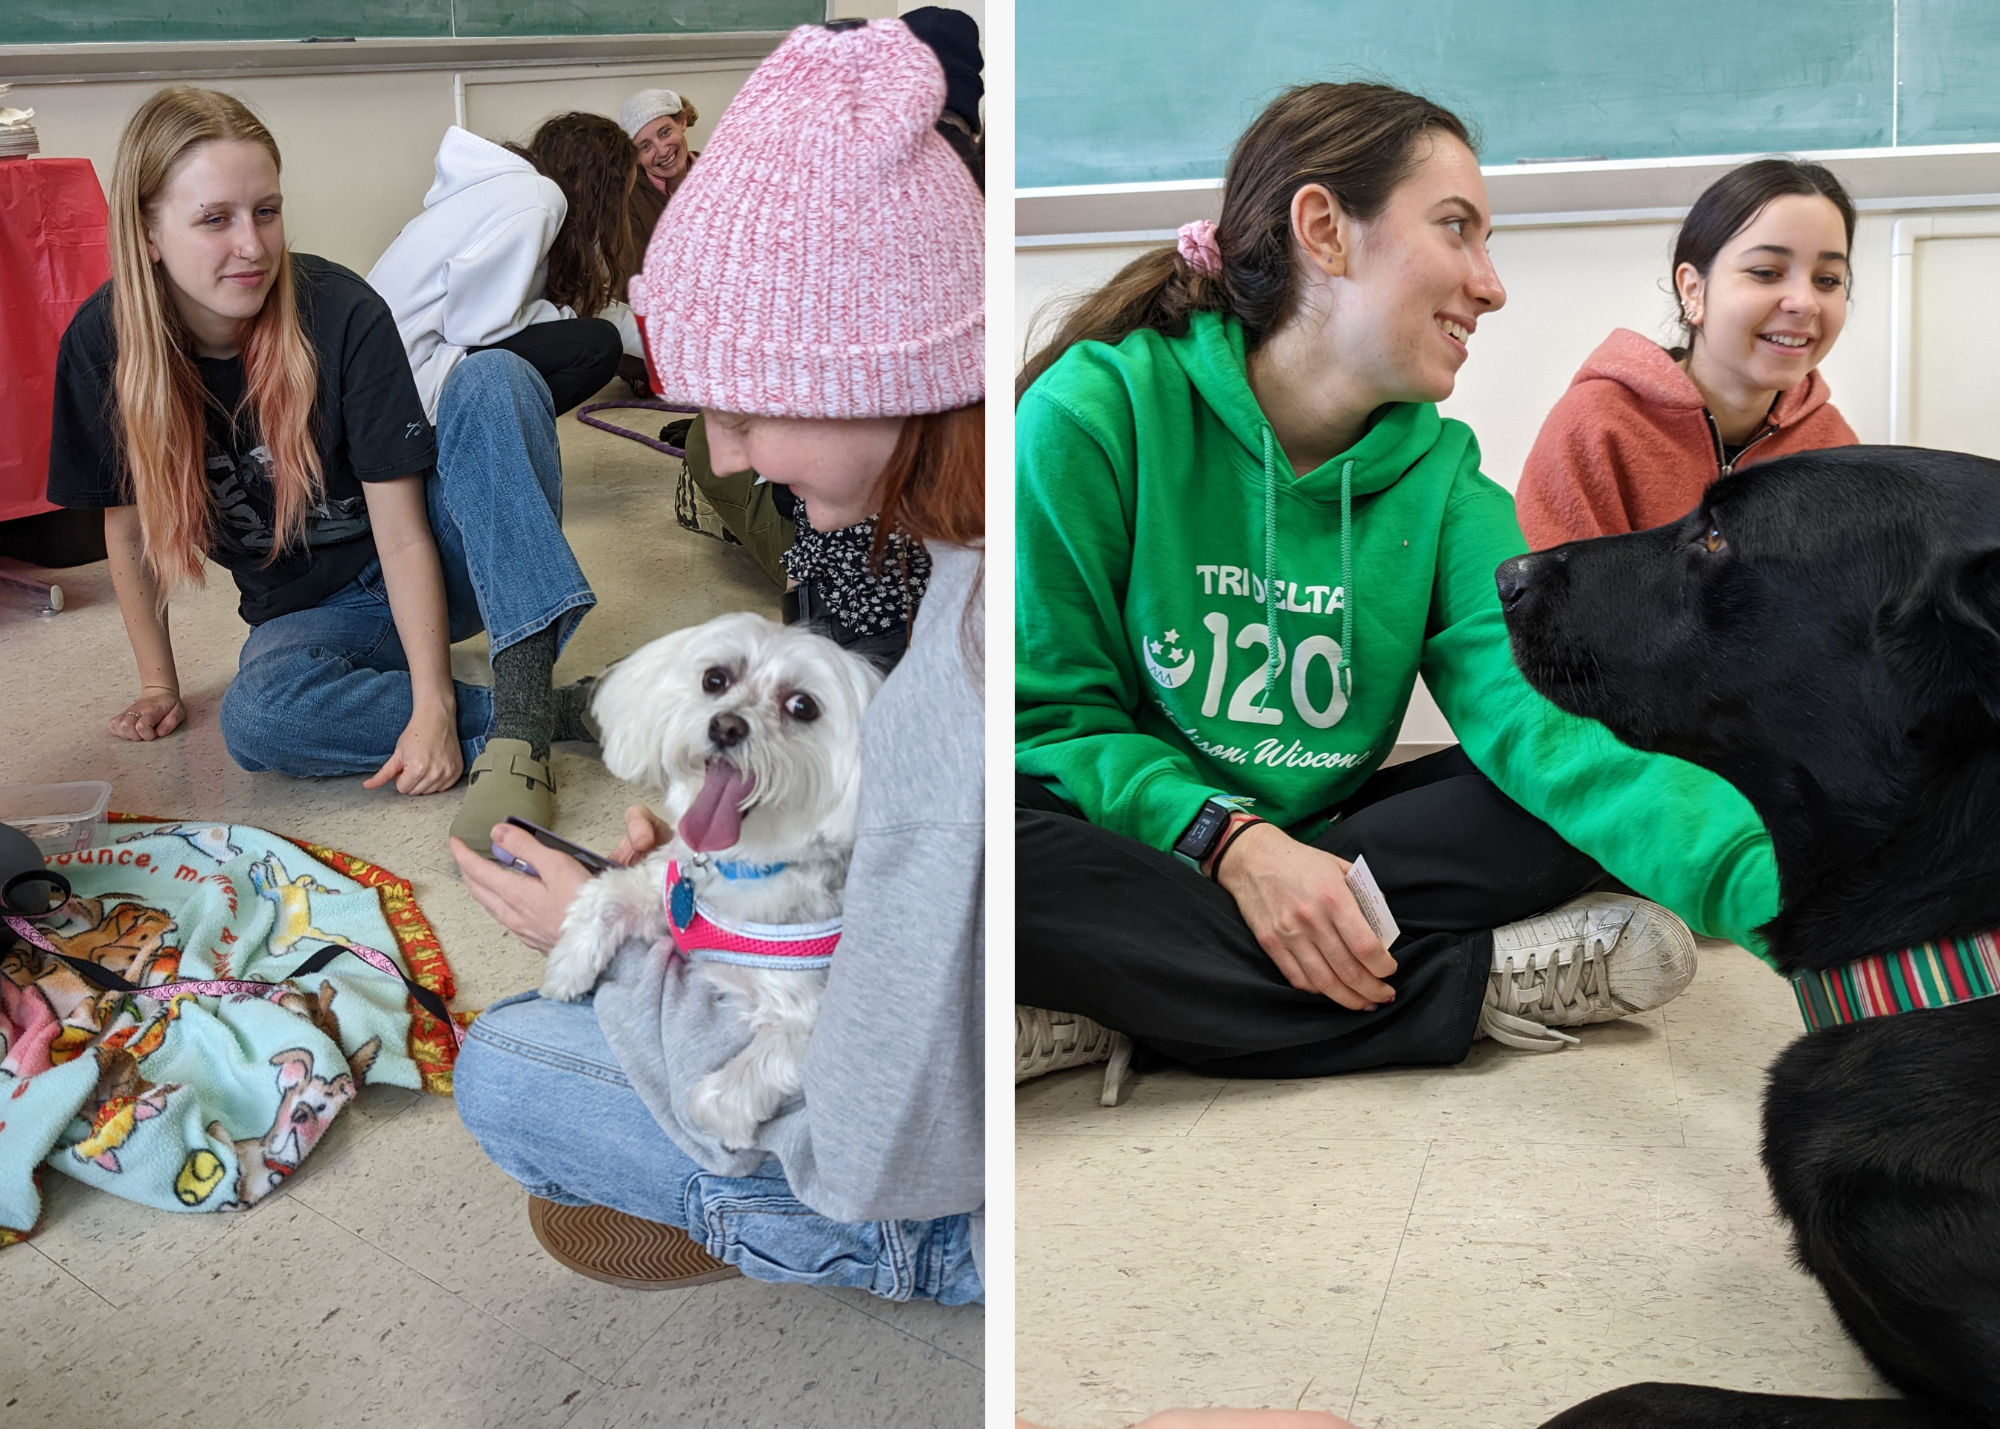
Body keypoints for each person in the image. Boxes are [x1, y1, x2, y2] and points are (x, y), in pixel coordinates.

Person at [1015, 81, 1782, 1089]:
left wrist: (1807, 910)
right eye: (1456, 229)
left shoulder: (1445, 481)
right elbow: (1050, 726)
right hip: (1138, 835)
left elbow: (1543, 721)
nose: (1490, 284)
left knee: (1569, 794)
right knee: (987, 850)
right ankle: (1471, 984)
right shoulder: (1095, 412)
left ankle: (1117, 998)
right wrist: (1229, 843)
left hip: (1331, 848)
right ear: (1324, 230)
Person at [450, 18, 986, 1301]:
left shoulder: (948, 691)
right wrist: (710, 861)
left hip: (921, 1197)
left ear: (882, 373)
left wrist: (634, 949)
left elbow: (861, 1123)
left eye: (744, 413)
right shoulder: (959, 551)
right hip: (872, 1009)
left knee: (508, 1067)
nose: (728, 458)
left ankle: (764, 1219)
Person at [44, 86, 595, 851]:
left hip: (439, 563)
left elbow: (404, 538)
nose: (252, 245)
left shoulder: (339, 310)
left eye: (265, 211)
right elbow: (128, 528)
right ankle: (570, 713)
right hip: (312, 614)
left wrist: (433, 705)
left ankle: (523, 715)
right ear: (147, 233)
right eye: (214, 219)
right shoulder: (102, 344)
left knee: (493, 379)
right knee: (258, 718)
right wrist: (159, 685)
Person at [1514, 158, 1859, 548]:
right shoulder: (1596, 425)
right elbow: (1555, 596)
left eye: (1827, 280)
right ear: (1693, 289)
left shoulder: (1834, 447)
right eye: (1766, 272)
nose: (1805, 303)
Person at [366, 113, 635, 422]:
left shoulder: (511, 191)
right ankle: (468, 447)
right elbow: (475, 326)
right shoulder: (540, 200)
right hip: (413, 384)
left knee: (591, 334)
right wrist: (562, 317)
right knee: (597, 347)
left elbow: (586, 308)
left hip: (388, 371)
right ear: (589, 185)